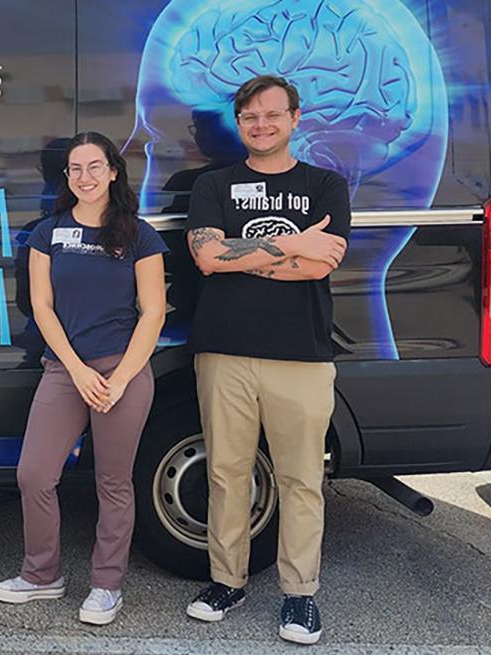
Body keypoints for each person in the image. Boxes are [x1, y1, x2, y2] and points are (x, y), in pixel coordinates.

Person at [178, 74, 350, 646]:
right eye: (250, 116)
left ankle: (300, 597)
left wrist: (244, 255)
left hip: (301, 356)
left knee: (302, 480)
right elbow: (205, 256)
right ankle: (226, 581)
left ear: (295, 118)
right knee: (227, 474)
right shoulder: (214, 184)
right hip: (223, 352)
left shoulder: (325, 185)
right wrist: (292, 243)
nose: (261, 125)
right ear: (239, 121)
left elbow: (319, 266)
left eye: (273, 115)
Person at [0, 132, 168, 626]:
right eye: (75, 169)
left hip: (124, 372)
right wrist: (76, 369)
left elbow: (152, 313)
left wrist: (119, 378)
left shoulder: (139, 235)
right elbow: (42, 308)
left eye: (94, 166)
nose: (85, 177)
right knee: (34, 474)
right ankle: (41, 573)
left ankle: (107, 585)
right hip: (66, 371)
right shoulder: (48, 233)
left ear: (114, 171)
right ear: (65, 177)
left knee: (113, 482)